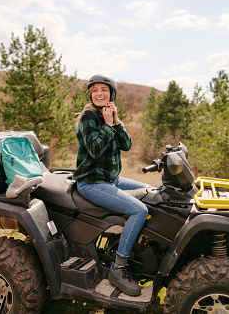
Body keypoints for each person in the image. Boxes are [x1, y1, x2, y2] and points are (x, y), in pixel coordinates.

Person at [73, 74, 149, 297]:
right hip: (90, 182)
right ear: (90, 94)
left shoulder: (109, 115)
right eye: (94, 90)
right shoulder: (89, 117)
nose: (99, 93)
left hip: (111, 180)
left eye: (104, 90)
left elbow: (126, 144)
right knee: (139, 209)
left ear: (111, 94)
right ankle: (119, 268)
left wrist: (116, 121)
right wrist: (107, 125)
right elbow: (95, 149)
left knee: (150, 191)